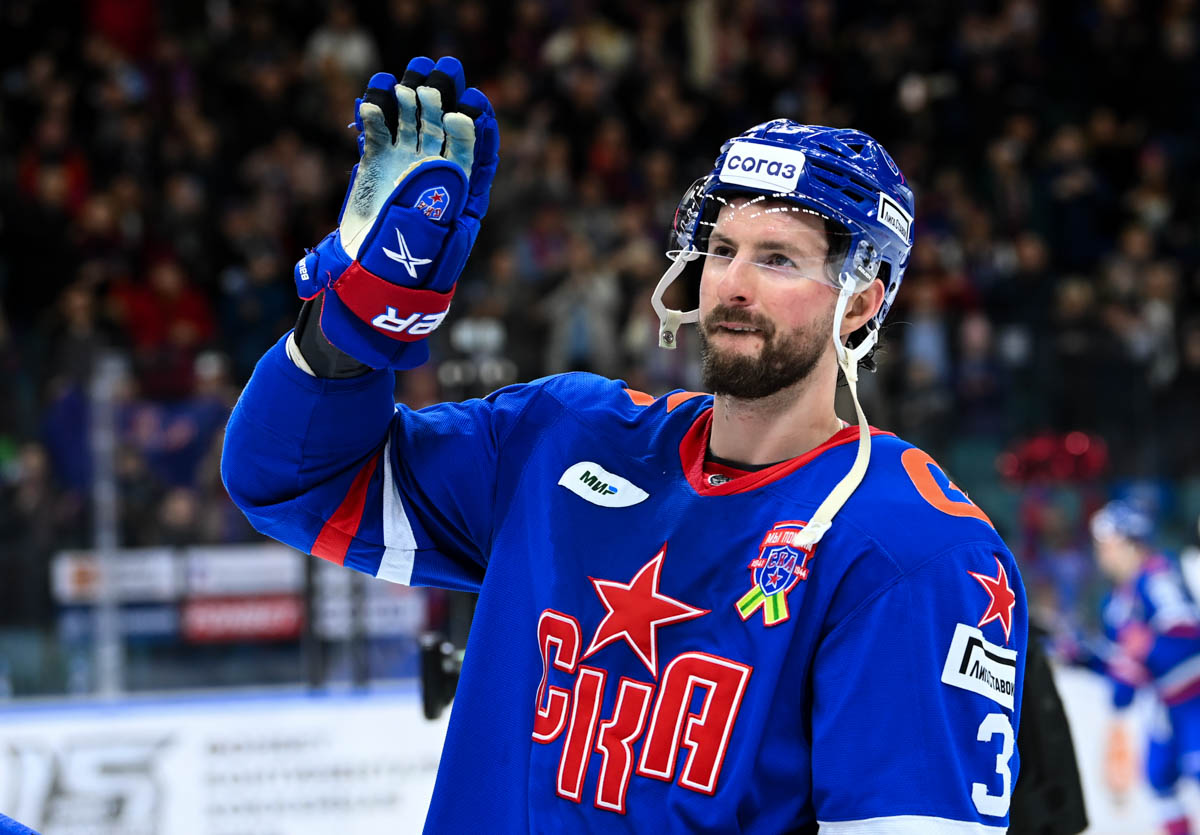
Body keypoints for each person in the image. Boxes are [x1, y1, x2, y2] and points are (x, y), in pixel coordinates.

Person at [222, 56, 1028, 832]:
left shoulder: (911, 550)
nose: (733, 284)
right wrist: (359, 316)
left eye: (779, 259)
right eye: (722, 249)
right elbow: (290, 482)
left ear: (859, 304)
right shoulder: (560, 440)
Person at [1092, 500, 1200, 835]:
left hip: (1193, 695)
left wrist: (1147, 648)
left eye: (1108, 545)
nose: (1103, 554)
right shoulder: (1114, 603)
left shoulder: (1158, 576)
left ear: (1130, 542)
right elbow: (1122, 676)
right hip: (1163, 702)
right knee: (1159, 778)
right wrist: (1080, 655)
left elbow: (1186, 635)